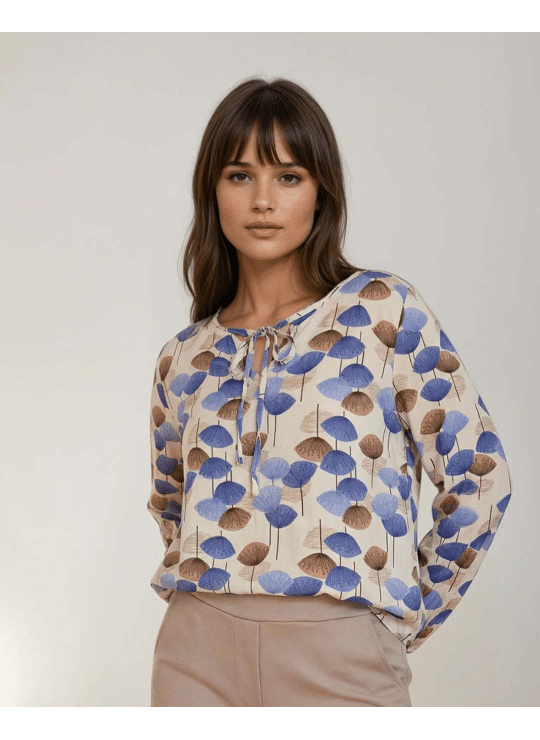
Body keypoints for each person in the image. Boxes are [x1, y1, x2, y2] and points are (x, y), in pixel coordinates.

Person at [147, 77, 512, 707]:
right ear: (211, 189)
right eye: (240, 175)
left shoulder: (382, 310)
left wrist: (396, 622)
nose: (263, 199)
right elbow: (171, 506)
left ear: (321, 192)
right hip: (194, 655)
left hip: (343, 653)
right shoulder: (184, 356)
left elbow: (479, 476)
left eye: (289, 176)